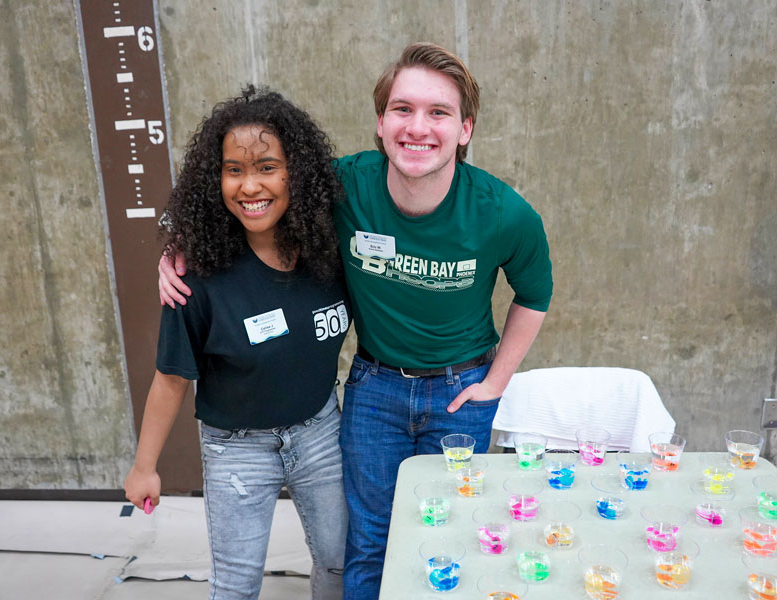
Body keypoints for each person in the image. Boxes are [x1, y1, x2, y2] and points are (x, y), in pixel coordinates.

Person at [160, 43, 552, 600]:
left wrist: (495, 382)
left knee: (447, 536)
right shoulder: (345, 186)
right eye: (403, 109)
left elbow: (535, 294)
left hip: (461, 392)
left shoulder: (505, 213)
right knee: (367, 542)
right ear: (381, 122)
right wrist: (177, 245)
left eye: (438, 112)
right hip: (375, 391)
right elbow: (250, 189)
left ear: (465, 130)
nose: (419, 127)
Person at [125, 85, 349, 600]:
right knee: (236, 584)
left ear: (298, 171)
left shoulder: (330, 252)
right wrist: (144, 467)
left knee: (340, 564)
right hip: (237, 448)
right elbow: (172, 378)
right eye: (234, 170)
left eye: (267, 166)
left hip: (320, 430)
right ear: (215, 180)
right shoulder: (196, 277)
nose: (250, 185)